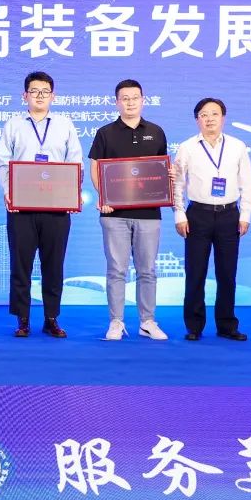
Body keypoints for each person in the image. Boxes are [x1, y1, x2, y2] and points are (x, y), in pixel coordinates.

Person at [0, 71, 83, 338]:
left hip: (56, 207)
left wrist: (73, 192)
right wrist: (8, 192)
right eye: (34, 91)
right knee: (20, 265)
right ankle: (22, 319)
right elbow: (3, 162)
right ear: (25, 96)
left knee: (53, 265)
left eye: (45, 91)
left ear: (53, 96)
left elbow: (75, 161)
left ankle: (51, 318)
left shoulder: (65, 124)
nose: (40, 96)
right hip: (22, 208)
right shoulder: (13, 125)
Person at [88, 79, 170, 341]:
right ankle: (116, 322)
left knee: (148, 271)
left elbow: (161, 169)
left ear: (143, 100)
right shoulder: (105, 133)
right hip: (114, 213)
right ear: (117, 102)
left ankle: (147, 322)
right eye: (125, 98)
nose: (130, 102)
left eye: (135, 97)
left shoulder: (156, 132)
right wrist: (104, 196)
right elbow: (95, 167)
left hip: (149, 214)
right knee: (116, 270)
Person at [173, 97, 251, 341]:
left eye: (214, 114)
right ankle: (194, 326)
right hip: (197, 215)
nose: (209, 119)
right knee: (195, 273)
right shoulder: (187, 147)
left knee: (227, 274)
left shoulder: (237, 146)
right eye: (204, 114)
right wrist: (179, 214)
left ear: (223, 118)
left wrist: (245, 215)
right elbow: (177, 183)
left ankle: (227, 325)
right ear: (197, 120)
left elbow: (248, 183)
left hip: (229, 215)